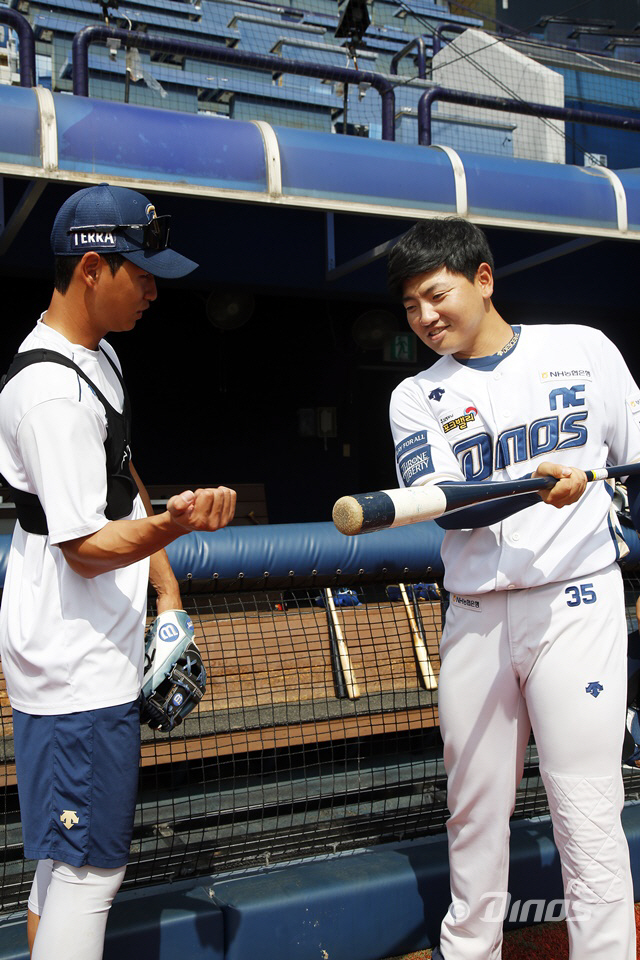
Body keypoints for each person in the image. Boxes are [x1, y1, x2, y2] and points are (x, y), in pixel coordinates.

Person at [387, 217, 640, 960]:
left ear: (484, 278)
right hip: (477, 614)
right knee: (472, 812)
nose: (426, 317)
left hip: (577, 602)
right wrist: (532, 487)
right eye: (410, 307)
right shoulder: (415, 395)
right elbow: (442, 500)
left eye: (437, 295)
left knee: (587, 809)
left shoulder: (583, 349)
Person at [0, 182, 236, 960]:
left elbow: (123, 479)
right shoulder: (49, 391)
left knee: (61, 864)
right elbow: (86, 546)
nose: (154, 288)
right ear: (92, 267)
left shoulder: (99, 357)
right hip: (71, 663)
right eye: (141, 272)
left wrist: (167, 594)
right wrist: (171, 525)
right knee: (89, 870)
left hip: (96, 646)